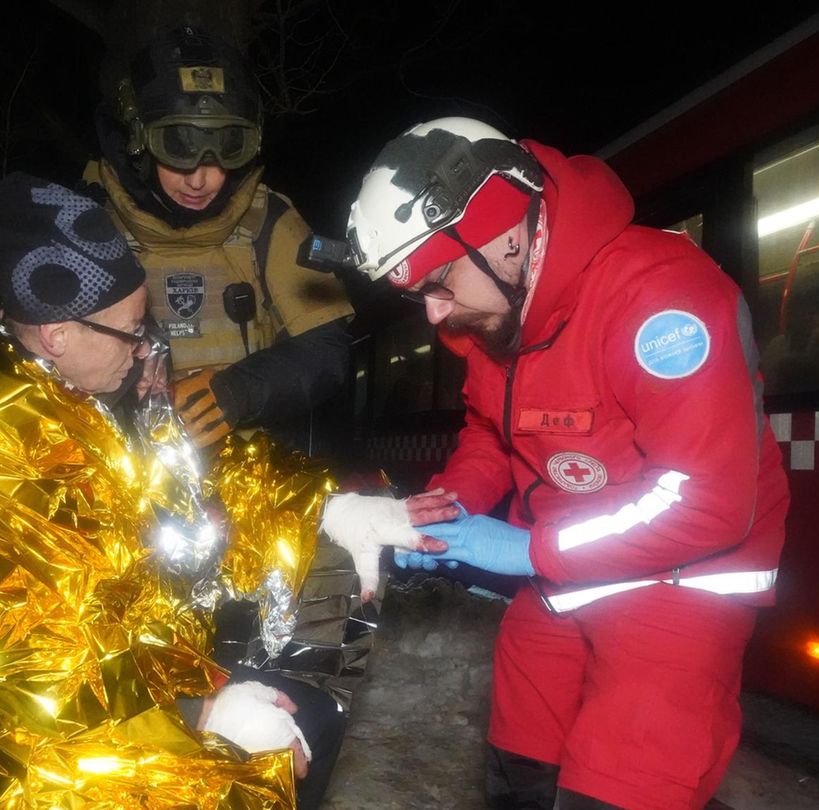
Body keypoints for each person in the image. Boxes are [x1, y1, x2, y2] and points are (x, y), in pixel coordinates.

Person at [0, 175, 368, 809]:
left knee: (314, 714)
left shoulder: (78, 382)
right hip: (28, 757)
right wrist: (203, 712)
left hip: (138, 687)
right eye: (132, 329)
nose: (147, 347)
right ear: (59, 332)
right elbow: (11, 668)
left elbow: (192, 481)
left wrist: (326, 500)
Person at [338, 117, 791, 810]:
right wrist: (453, 501)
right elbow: (492, 433)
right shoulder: (500, 316)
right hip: (566, 574)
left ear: (506, 233)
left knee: (622, 780)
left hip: (681, 584)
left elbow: (706, 502)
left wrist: (529, 548)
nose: (433, 316)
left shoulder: (661, 301)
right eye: (416, 296)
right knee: (519, 759)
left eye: (439, 281)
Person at [81, 26, 354, 449]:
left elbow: (327, 350)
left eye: (228, 146)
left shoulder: (268, 221)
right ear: (138, 140)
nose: (201, 178)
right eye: (178, 145)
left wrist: (239, 391)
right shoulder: (88, 226)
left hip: (252, 470)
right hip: (123, 470)